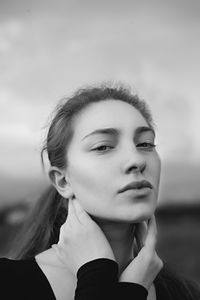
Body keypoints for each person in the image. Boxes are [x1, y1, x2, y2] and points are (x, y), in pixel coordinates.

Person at [1, 84, 200, 300]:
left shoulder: (185, 294)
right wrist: (104, 278)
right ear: (63, 181)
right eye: (103, 147)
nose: (136, 160)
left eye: (145, 144)